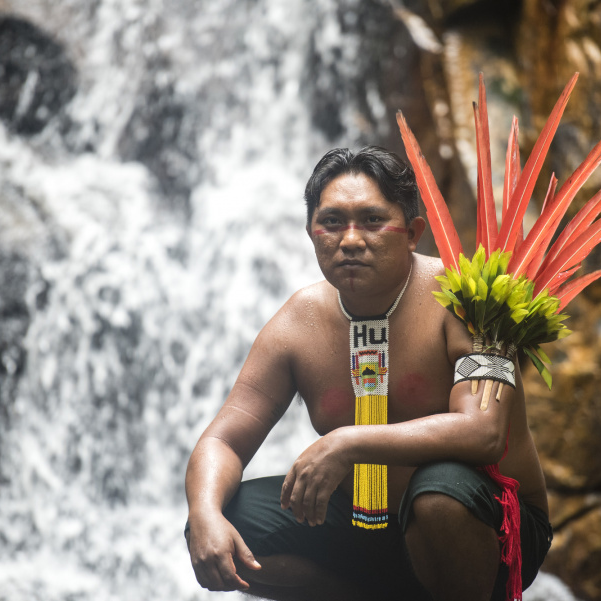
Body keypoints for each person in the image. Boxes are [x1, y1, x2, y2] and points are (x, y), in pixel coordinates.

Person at [185, 146, 552, 601]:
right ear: (311, 233)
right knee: (232, 518)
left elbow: (484, 433)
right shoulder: (297, 323)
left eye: (373, 221)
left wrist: (348, 441)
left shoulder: (471, 301)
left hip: (490, 525)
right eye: (333, 222)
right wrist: (203, 513)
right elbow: (222, 440)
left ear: (413, 232)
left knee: (439, 493)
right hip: (365, 526)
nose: (351, 239)